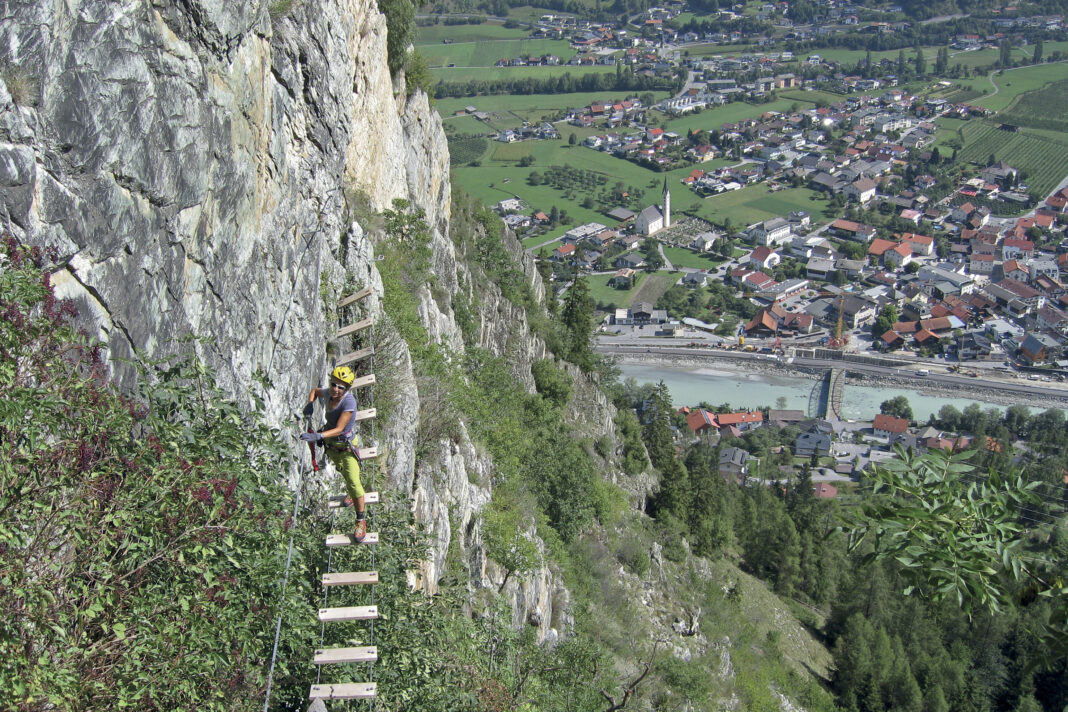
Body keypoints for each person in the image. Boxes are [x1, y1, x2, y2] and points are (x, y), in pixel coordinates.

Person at [301, 365, 366, 542]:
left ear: (347, 389)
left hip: (344, 445)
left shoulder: (348, 402)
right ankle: (351, 498)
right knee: (343, 472)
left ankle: (360, 520)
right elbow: (315, 391)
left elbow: (339, 429)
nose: (336, 389)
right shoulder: (329, 393)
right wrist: (309, 403)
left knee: (354, 481)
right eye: (334, 384)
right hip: (332, 446)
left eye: (341, 387)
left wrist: (318, 435)